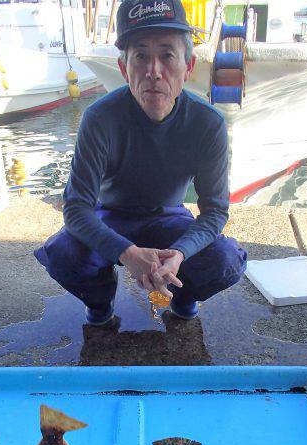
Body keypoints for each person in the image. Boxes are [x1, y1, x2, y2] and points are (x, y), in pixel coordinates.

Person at [35, 0, 247, 325]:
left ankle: (183, 295)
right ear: (124, 68)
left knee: (225, 260)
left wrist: (179, 253)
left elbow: (215, 211)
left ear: (188, 66)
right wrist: (127, 253)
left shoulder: (208, 123)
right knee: (63, 254)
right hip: (110, 215)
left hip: (169, 215)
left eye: (167, 55)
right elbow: (77, 208)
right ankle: (99, 301)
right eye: (141, 56)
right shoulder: (99, 118)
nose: (153, 72)